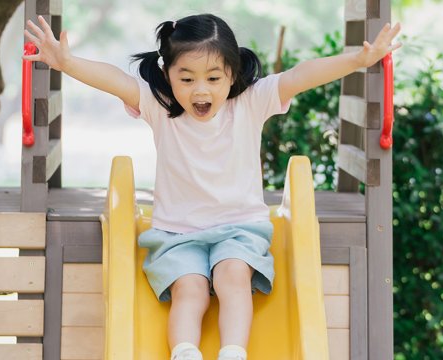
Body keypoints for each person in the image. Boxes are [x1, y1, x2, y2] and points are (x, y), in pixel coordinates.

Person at [24, 13, 401, 360]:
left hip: (239, 228)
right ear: (168, 75)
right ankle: (185, 352)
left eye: (213, 78)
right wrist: (67, 63)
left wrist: (356, 61)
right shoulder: (159, 107)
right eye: (186, 78)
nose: (199, 90)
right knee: (190, 290)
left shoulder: (251, 103)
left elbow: (301, 76)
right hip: (177, 233)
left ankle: (233, 352)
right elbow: (116, 80)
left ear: (233, 75)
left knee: (232, 277)